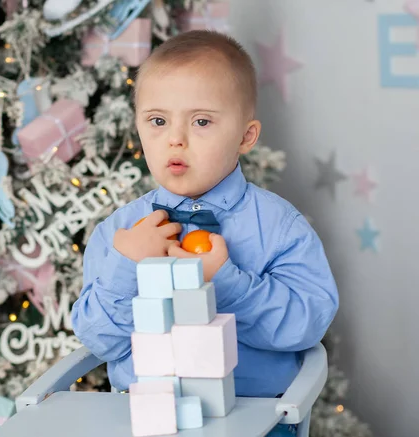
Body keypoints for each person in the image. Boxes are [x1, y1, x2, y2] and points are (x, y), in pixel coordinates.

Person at [71, 30, 338, 436]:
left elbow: (307, 323)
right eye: (158, 121)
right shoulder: (119, 233)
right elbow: (99, 340)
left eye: (201, 121)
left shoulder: (280, 227)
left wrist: (226, 283)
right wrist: (128, 268)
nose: (175, 138)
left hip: (255, 418)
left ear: (246, 136)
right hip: (146, 419)